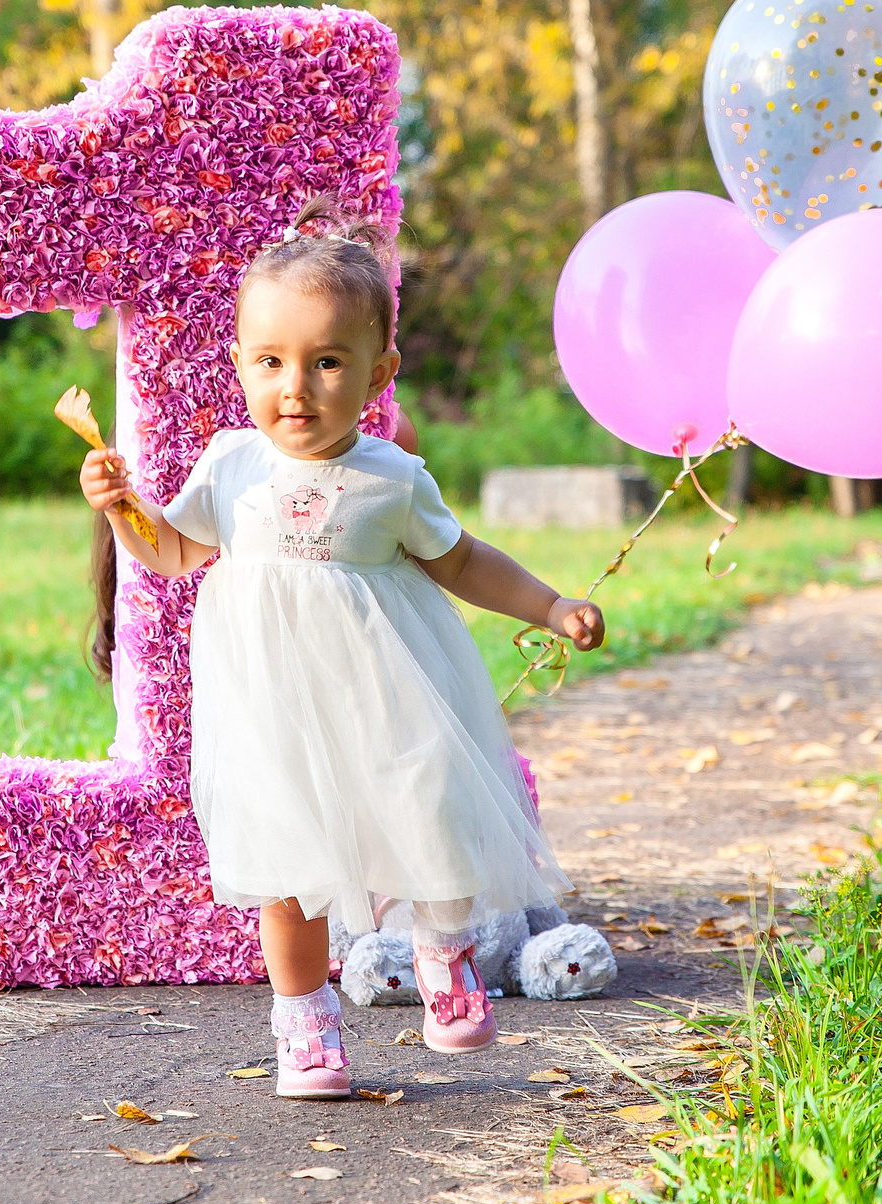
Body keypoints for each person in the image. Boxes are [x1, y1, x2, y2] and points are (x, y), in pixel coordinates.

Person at [79, 202, 605, 1100]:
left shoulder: (391, 477)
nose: (297, 388)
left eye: (327, 362)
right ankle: (307, 1029)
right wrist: (123, 506)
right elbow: (173, 551)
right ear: (240, 361)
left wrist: (551, 604)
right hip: (272, 714)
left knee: (432, 812)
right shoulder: (232, 465)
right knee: (286, 870)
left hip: (387, 697)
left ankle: (444, 957)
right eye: (272, 361)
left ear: (378, 371)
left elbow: (464, 559)